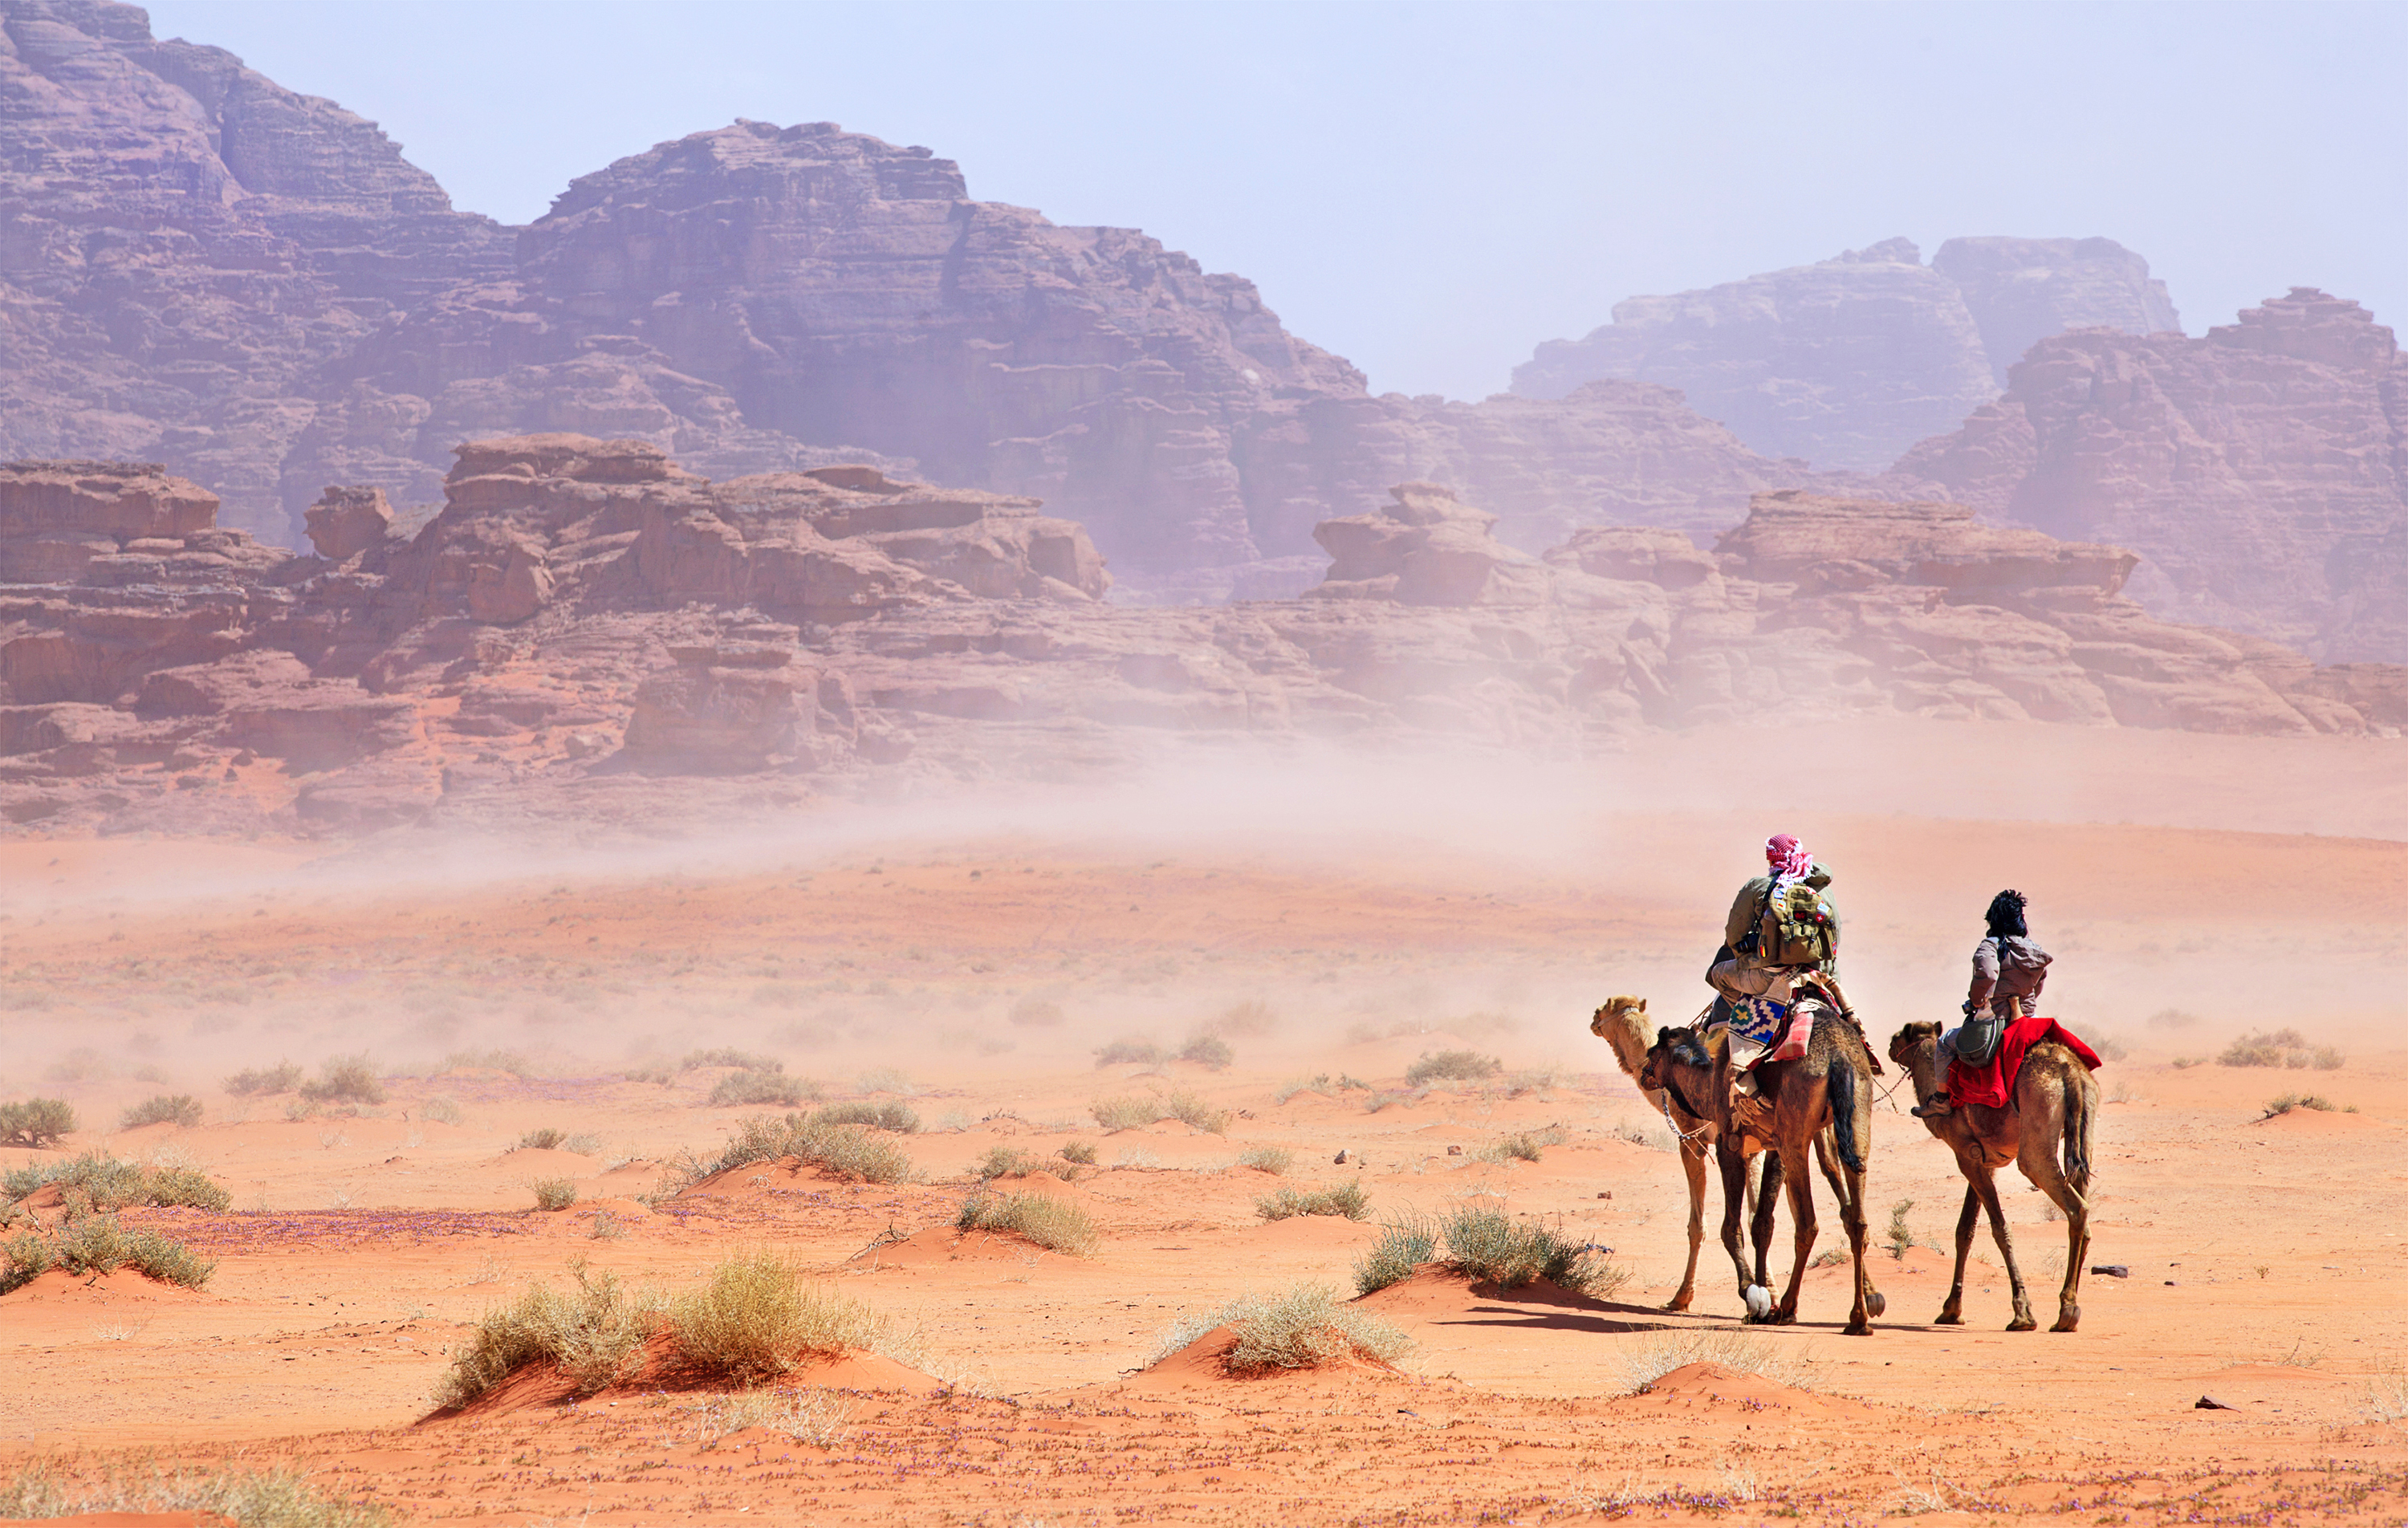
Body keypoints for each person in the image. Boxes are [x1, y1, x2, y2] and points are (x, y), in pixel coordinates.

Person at [1706, 834, 1850, 1099]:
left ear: (1771, 858)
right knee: (1844, 1019)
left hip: (1769, 977)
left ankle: (1750, 1027)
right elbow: (1836, 935)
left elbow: (1734, 936)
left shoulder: (1760, 887)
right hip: (1821, 977)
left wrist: (1748, 957)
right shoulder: (1824, 889)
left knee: (1719, 975)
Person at [1915, 888, 2052, 1118]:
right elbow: (2040, 982)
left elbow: (1988, 975)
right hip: (2025, 1021)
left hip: (1994, 1021)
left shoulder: (1991, 945)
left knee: (1944, 1043)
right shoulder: (2034, 950)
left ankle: (1940, 1100)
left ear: (1994, 919)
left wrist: (1978, 1000)